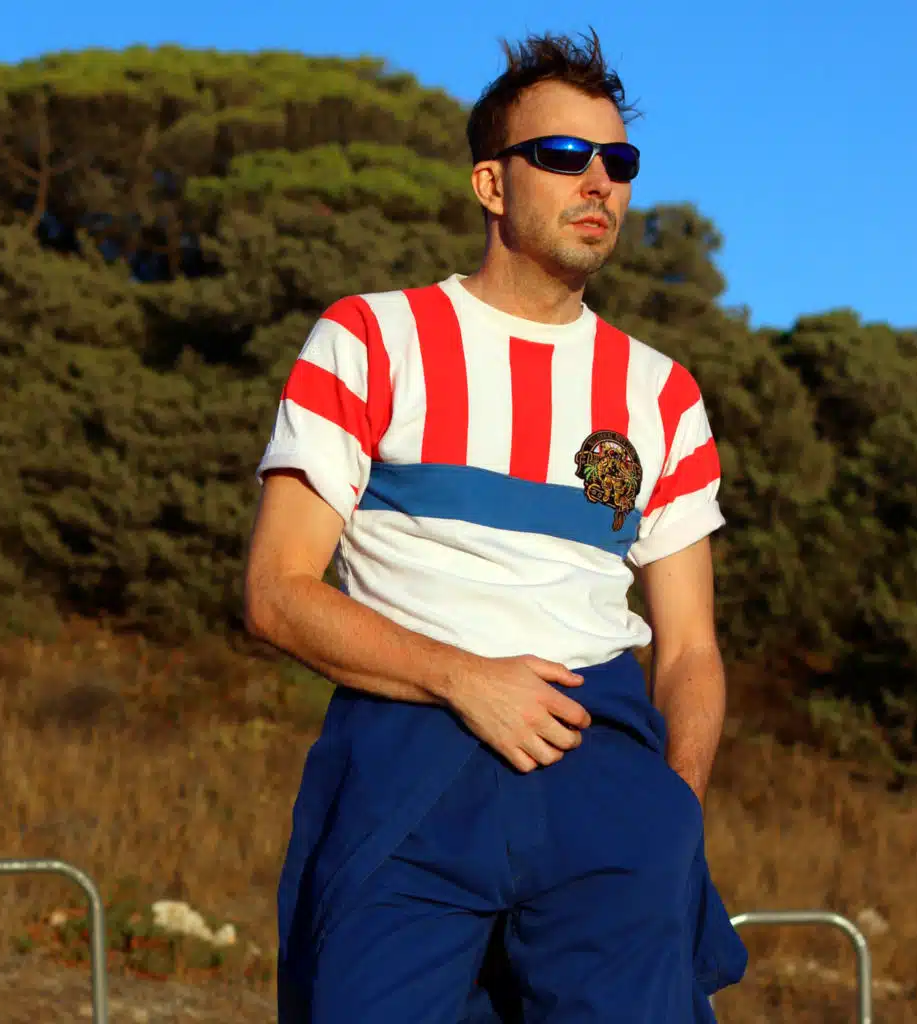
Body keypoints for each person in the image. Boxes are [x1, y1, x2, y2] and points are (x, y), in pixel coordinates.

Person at [244, 29, 748, 1024]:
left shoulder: (662, 392)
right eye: (562, 155)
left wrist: (673, 809)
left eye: (618, 162)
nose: (597, 182)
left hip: (604, 764)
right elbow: (276, 592)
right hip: (409, 755)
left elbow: (690, 646)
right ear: (490, 183)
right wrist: (463, 680)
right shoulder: (370, 338)